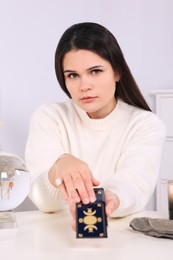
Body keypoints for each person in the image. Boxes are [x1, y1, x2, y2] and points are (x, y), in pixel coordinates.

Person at [25, 22, 166, 230]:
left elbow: (134, 183)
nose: (84, 86)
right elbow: (42, 200)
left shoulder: (145, 124)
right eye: (73, 75)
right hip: (54, 236)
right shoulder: (49, 116)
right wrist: (58, 168)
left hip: (122, 237)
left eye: (95, 71)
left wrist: (110, 198)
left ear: (117, 72)